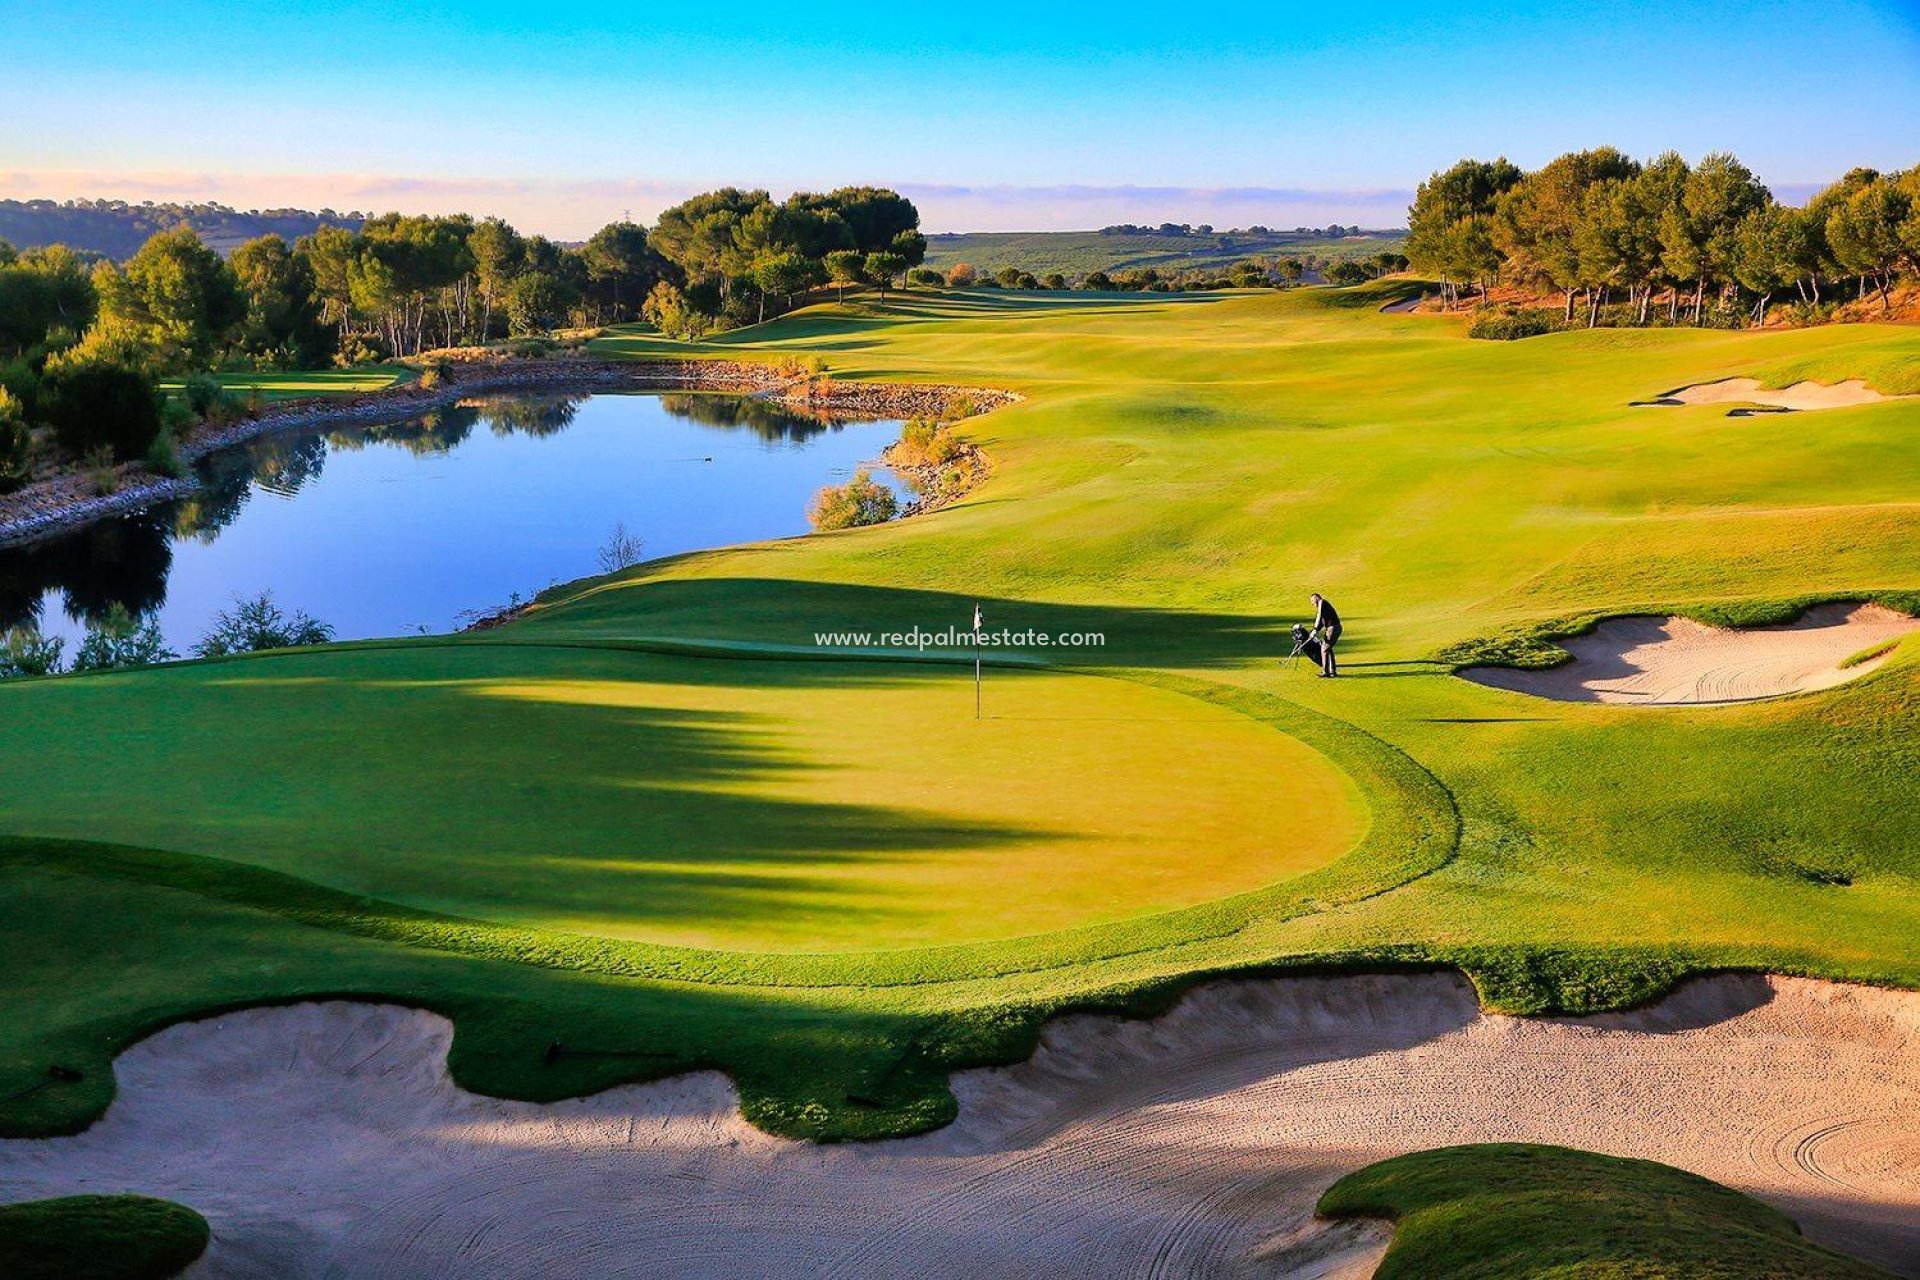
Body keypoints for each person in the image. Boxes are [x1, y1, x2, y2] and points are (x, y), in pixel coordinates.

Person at [1309, 592, 1342, 677]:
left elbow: (1319, 616)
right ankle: (1332, 671)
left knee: (1324, 649)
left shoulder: (1322, 602)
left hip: (1333, 628)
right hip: (1333, 628)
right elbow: (1321, 623)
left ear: (1316, 598)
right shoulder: (1323, 607)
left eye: (1312, 601)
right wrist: (1314, 631)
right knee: (1328, 649)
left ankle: (1326, 672)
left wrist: (1315, 629)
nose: (1313, 604)